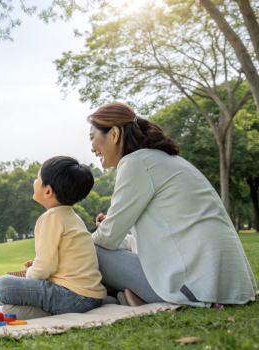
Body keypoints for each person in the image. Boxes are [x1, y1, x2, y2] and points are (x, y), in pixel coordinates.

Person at [89, 102, 258, 307]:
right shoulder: (166, 159)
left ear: (114, 134)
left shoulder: (135, 163)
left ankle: (136, 295)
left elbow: (107, 239)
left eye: (92, 137)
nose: (91, 146)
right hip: (227, 283)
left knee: (87, 248)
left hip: (196, 286)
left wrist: (86, 237)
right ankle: (129, 295)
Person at [0, 156, 106, 320]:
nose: (35, 181)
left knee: (2, 285)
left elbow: (45, 267)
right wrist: (39, 266)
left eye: (38, 178)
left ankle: (53, 311)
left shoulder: (51, 217)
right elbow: (58, 261)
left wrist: (32, 272)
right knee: (11, 308)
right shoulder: (73, 217)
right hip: (92, 296)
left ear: (48, 191)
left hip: (72, 296)